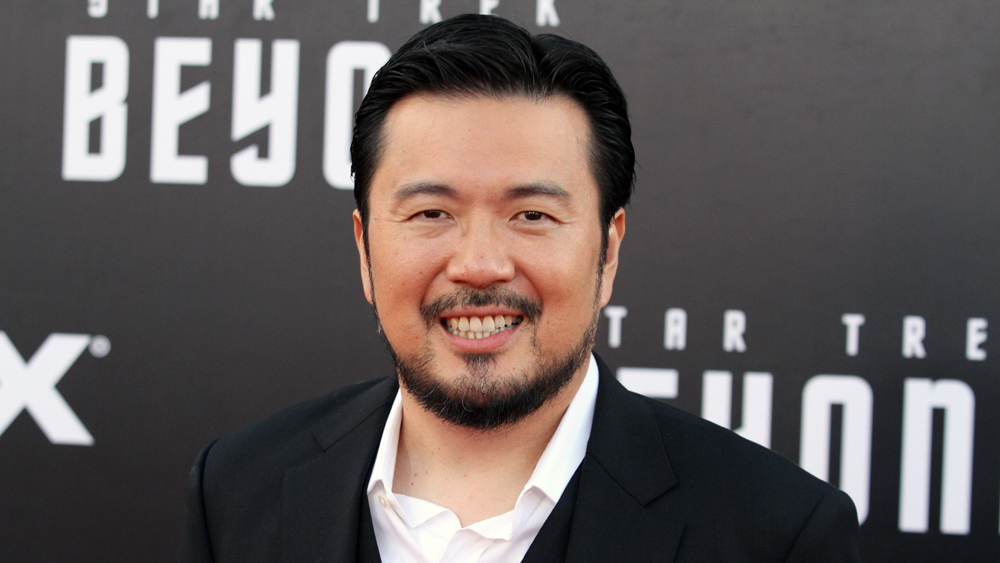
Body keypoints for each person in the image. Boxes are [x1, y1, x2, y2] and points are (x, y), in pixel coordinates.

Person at [181, 14, 861, 563]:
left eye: (532, 215)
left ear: (609, 250)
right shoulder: (236, 490)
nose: (479, 265)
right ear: (364, 249)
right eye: (431, 214)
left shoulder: (775, 534)